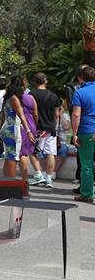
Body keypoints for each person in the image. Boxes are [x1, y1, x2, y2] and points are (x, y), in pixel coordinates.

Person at [29, 72, 61, 187]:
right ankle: (49, 178)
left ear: (34, 82)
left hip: (37, 128)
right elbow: (57, 114)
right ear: (45, 81)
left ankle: (38, 175)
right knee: (50, 153)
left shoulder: (32, 94)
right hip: (51, 128)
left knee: (32, 152)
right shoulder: (54, 96)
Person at [0, 75, 33, 180]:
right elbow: (21, 116)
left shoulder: (8, 97)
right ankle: (10, 182)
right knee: (13, 157)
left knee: (8, 156)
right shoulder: (14, 98)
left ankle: (5, 180)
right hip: (13, 129)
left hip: (7, 127)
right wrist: (28, 131)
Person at [71, 64, 95, 203]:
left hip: (86, 130)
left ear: (81, 78)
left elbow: (76, 115)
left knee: (87, 164)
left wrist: (74, 133)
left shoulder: (79, 93)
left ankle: (87, 193)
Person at [19, 83, 39, 179]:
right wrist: (35, 124)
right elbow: (35, 113)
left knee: (22, 153)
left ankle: (24, 178)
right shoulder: (31, 98)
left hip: (23, 126)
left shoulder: (16, 98)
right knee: (28, 151)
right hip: (32, 124)